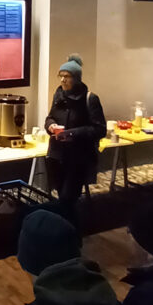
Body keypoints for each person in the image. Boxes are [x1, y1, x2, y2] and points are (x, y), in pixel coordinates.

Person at [44, 55, 106, 217]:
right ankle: (66, 226)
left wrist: (72, 133)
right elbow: (50, 117)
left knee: (67, 198)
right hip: (57, 155)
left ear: (76, 78)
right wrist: (50, 126)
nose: (63, 80)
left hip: (78, 158)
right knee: (60, 194)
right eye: (61, 76)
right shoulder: (58, 95)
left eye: (67, 76)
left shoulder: (90, 99)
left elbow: (99, 129)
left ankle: (70, 232)